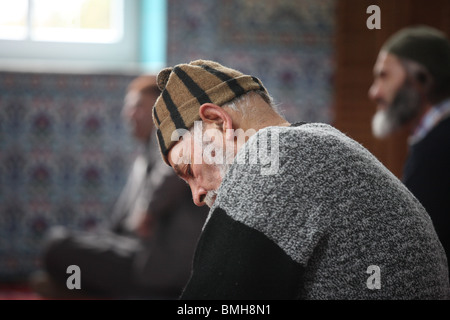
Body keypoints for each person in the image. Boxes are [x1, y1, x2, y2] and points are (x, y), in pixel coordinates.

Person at [150, 59, 449, 299]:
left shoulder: (272, 158)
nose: (197, 194)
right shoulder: (318, 143)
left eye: (189, 169)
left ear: (218, 122)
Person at [30, 75, 208, 299]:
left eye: (137, 107)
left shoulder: (178, 140)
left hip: (152, 263)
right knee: (60, 245)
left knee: (56, 248)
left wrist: (149, 210)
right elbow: (117, 225)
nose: (129, 114)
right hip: (130, 250)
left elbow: (173, 170)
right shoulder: (141, 161)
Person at [368, 25, 450, 268]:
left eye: (384, 76)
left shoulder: (439, 149)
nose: (374, 93)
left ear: (421, 80)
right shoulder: (433, 140)